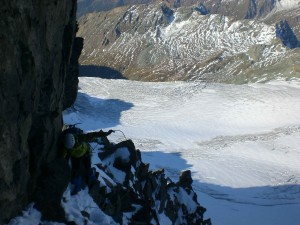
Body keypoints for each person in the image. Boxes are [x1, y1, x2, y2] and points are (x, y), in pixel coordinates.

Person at [62, 128, 114, 195]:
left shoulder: (80, 137)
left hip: (85, 153)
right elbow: (63, 156)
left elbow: (93, 134)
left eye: (75, 145)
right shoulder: (66, 147)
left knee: (87, 170)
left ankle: (91, 176)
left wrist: (106, 133)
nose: (74, 147)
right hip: (76, 157)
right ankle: (78, 186)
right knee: (76, 172)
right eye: (72, 147)